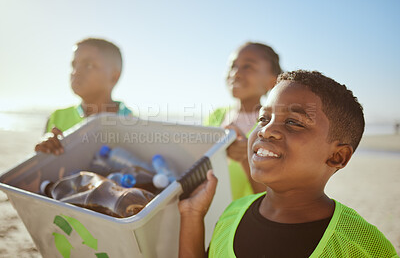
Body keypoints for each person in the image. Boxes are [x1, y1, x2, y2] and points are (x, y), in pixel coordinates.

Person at [179, 70, 398, 257]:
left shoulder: (361, 246)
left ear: (337, 157)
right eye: (263, 119)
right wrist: (191, 214)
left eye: (293, 122)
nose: (266, 130)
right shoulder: (231, 215)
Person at [204, 42, 282, 200]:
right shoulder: (216, 115)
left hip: (239, 218)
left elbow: (270, 197)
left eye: (248, 67)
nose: (236, 73)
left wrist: (246, 158)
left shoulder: (272, 127)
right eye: (232, 66)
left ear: (272, 83)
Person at [34, 38, 132, 155]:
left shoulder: (134, 124)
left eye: (89, 65)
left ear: (114, 76)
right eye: (74, 65)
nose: (76, 72)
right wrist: (45, 147)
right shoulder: (57, 118)